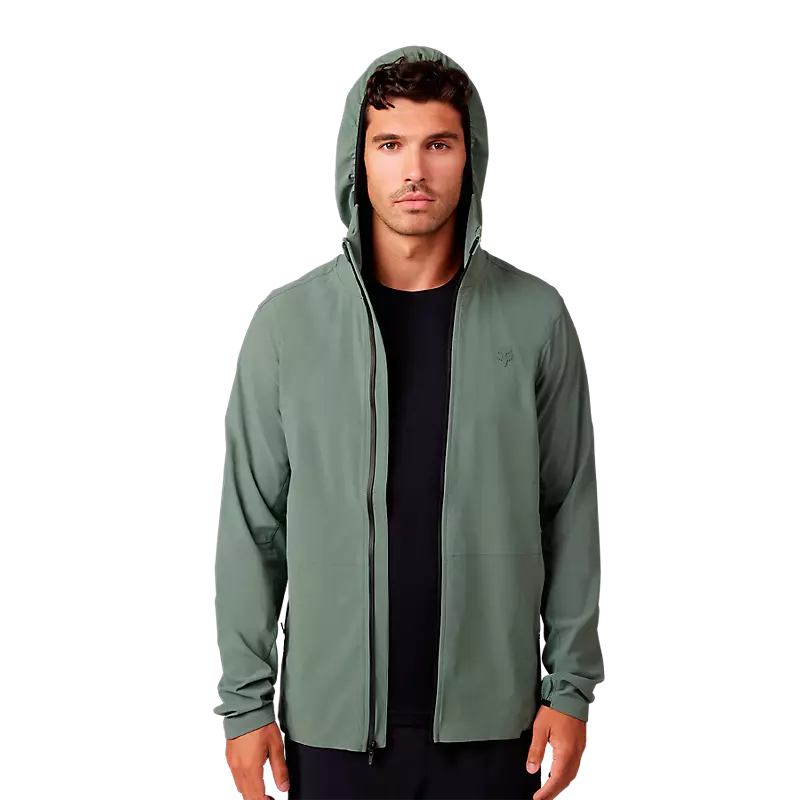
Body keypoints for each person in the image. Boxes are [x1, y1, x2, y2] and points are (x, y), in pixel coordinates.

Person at [212, 44, 604, 800]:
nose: (414, 170)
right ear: (357, 160)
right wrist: (245, 705)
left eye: (438, 144)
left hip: (501, 731)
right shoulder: (286, 327)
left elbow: (568, 512)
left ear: (470, 157)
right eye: (390, 144)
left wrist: (571, 688)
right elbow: (252, 529)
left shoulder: (536, 319)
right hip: (329, 735)